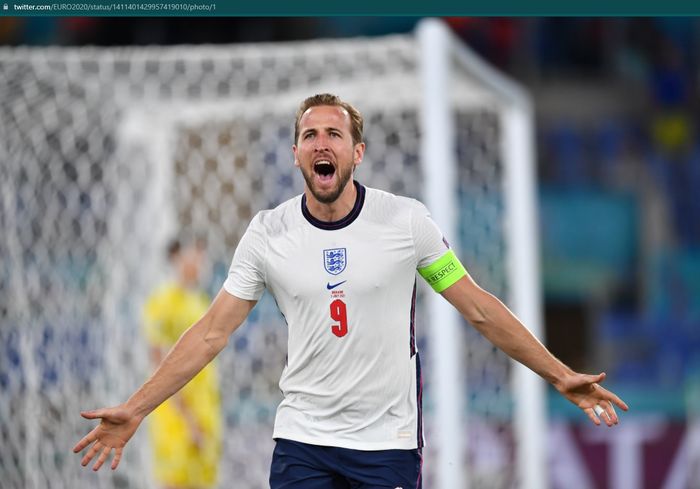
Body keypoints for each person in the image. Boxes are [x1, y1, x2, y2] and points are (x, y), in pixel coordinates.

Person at [74, 93, 629, 489]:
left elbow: (478, 309)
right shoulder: (268, 232)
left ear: (356, 152)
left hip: (386, 444)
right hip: (302, 439)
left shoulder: (405, 223)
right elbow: (212, 333)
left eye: (334, 133)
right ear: (296, 154)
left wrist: (560, 374)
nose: (322, 143)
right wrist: (137, 408)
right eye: (309, 135)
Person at [141, 239, 222, 489]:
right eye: (193, 256)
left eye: (201, 256)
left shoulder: (199, 300)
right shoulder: (163, 302)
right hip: (176, 419)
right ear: (176, 259)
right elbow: (159, 363)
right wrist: (188, 419)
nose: (199, 263)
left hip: (204, 411)